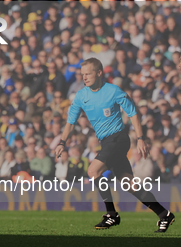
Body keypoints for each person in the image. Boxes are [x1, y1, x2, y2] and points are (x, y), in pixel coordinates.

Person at [56, 58, 174, 232]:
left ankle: (111, 215)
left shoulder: (113, 91)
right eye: (82, 74)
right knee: (129, 185)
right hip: (107, 143)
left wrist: (140, 137)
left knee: (93, 171)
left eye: (88, 73)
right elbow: (71, 122)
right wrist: (62, 141)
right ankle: (164, 214)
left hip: (119, 139)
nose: (85, 77)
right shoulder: (81, 95)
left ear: (99, 72)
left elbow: (133, 113)